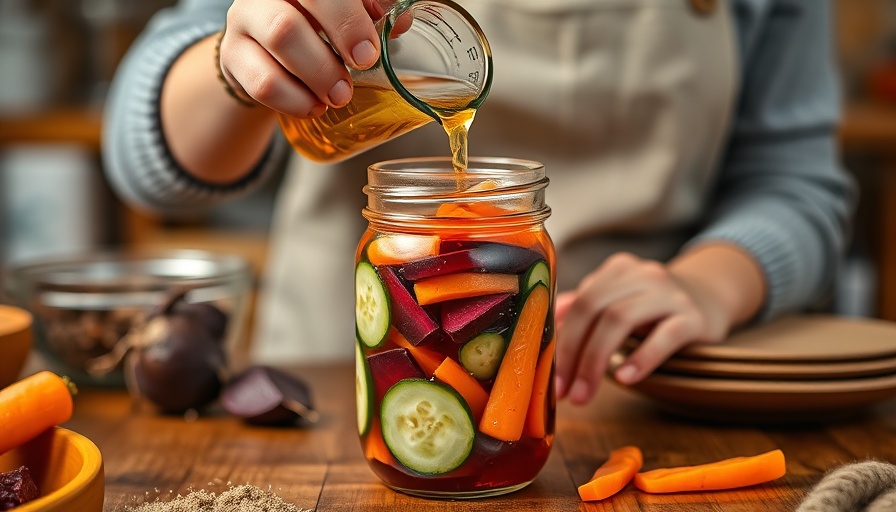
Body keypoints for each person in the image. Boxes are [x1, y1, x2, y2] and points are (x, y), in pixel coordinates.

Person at [103, 0, 855, 406]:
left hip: (639, 386)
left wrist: (705, 284)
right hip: (324, 393)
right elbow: (150, 164)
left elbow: (795, 183)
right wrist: (240, 69)